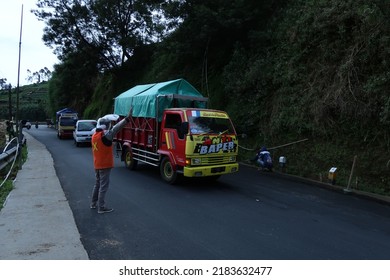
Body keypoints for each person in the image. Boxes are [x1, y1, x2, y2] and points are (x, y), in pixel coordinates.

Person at [90, 109, 132, 214]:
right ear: (106, 126)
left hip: (97, 164)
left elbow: (103, 144)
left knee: (97, 184)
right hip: (104, 165)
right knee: (103, 186)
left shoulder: (95, 135)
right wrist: (127, 119)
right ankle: (101, 207)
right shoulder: (105, 136)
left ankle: (93, 203)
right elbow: (115, 129)